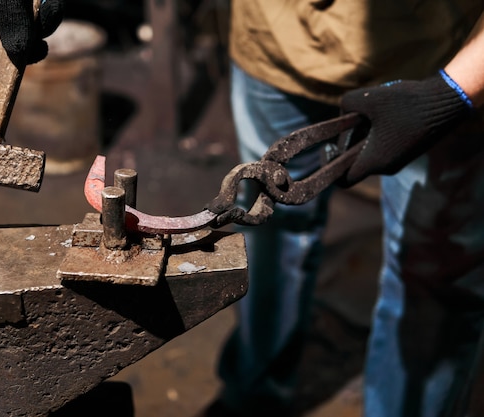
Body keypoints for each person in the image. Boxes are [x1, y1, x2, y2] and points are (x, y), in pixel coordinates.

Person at [203, 1, 484, 417]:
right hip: (273, 41)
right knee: (269, 242)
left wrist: (449, 94)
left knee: (432, 276)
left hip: (440, 60)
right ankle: (254, 395)